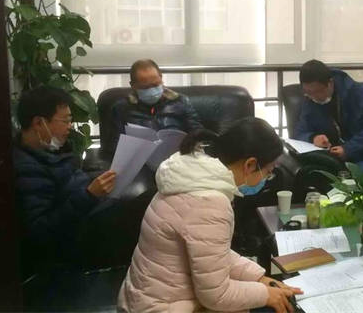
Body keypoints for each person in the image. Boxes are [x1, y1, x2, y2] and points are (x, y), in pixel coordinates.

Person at [118, 117, 302, 312]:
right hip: (163, 306)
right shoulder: (209, 202)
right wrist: (266, 294)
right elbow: (217, 295)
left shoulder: (188, 176)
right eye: (268, 172)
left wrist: (258, 278)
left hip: (146, 297)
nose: (267, 178)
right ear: (250, 164)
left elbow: (211, 253)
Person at [12, 86, 117, 272]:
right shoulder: (26, 169)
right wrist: (89, 195)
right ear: (38, 123)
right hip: (79, 242)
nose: (70, 126)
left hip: (93, 219)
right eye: (65, 121)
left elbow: (70, 181)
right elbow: (40, 231)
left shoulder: (50, 149)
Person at [294, 60, 363, 171]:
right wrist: (313, 138)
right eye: (308, 92)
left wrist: (349, 149)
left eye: (318, 91)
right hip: (349, 158)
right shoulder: (310, 101)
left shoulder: (357, 93)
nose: (314, 97)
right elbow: (299, 132)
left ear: (330, 83)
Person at [110, 59, 203, 152]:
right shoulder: (122, 108)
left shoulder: (181, 101)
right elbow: (115, 146)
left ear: (161, 78)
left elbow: (197, 133)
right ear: (133, 85)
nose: (152, 90)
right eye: (145, 87)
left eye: (155, 84)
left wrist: (194, 143)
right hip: (141, 158)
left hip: (178, 157)